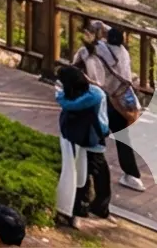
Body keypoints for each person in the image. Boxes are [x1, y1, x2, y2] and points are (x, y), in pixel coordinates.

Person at [79, 20, 149, 191]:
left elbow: (86, 53)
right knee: (123, 139)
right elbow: (112, 34)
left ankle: (86, 174)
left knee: (93, 137)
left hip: (105, 99)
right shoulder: (123, 53)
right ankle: (133, 176)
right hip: (122, 101)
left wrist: (96, 29)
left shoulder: (98, 50)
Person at [56, 61, 114, 220]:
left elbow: (61, 98)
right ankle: (100, 208)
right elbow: (102, 121)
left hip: (75, 140)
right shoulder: (96, 95)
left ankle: (77, 209)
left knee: (80, 176)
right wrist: (104, 132)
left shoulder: (65, 96)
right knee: (101, 177)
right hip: (93, 141)